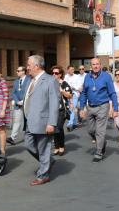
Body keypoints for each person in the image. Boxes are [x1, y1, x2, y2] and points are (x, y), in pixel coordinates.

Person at [23, 55, 60, 185]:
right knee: (28, 145)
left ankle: (43, 175)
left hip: (44, 122)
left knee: (43, 148)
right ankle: (48, 161)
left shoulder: (50, 80)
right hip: (30, 121)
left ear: (37, 66)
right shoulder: (30, 80)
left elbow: (55, 103)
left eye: (29, 65)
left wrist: (51, 123)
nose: (27, 68)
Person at [79, 58, 119, 162]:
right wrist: (82, 108)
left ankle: (99, 152)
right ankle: (102, 142)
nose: (96, 66)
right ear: (90, 66)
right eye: (93, 64)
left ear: (100, 65)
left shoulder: (106, 76)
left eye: (97, 64)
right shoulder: (87, 77)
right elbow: (84, 93)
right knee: (91, 130)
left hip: (102, 106)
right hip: (90, 107)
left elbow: (112, 93)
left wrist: (116, 108)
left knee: (100, 131)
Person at [51, 65, 72, 156]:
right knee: (53, 128)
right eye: (53, 73)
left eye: (56, 73)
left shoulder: (64, 83)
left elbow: (70, 95)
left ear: (60, 74)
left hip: (61, 109)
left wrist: (62, 91)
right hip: (52, 110)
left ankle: (61, 146)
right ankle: (56, 146)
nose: (54, 74)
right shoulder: (50, 83)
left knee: (58, 127)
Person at [7, 66, 30, 145]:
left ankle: (30, 137)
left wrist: (24, 101)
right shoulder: (16, 81)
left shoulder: (29, 80)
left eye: (18, 71)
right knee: (17, 121)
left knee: (29, 121)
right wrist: (17, 101)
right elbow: (13, 92)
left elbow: (30, 91)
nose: (17, 72)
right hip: (18, 104)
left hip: (27, 103)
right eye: (17, 71)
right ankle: (12, 138)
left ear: (23, 71)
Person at [64, 65, 83, 131]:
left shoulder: (76, 77)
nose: (73, 71)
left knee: (72, 108)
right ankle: (74, 123)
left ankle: (70, 123)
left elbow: (79, 86)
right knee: (70, 108)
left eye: (73, 69)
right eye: (71, 69)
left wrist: (73, 87)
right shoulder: (66, 77)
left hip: (74, 94)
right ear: (68, 70)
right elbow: (64, 85)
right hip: (67, 94)